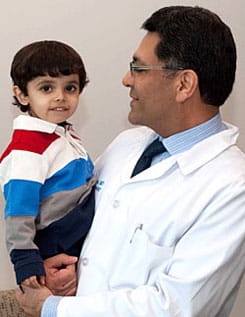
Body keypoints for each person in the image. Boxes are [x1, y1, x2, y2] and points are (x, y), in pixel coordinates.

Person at [16, 5, 245, 317]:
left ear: (183, 85)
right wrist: (71, 269)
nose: (126, 79)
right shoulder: (127, 144)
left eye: (138, 69)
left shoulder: (233, 187)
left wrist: (51, 308)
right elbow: (91, 233)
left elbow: (176, 306)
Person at [0, 40, 96, 289]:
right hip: (58, 244)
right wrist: (24, 259)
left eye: (70, 88)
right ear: (22, 94)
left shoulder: (61, 133)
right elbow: (18, 212)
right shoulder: (28, 149)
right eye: (46, 88)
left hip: (76, 237)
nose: (60, 97)